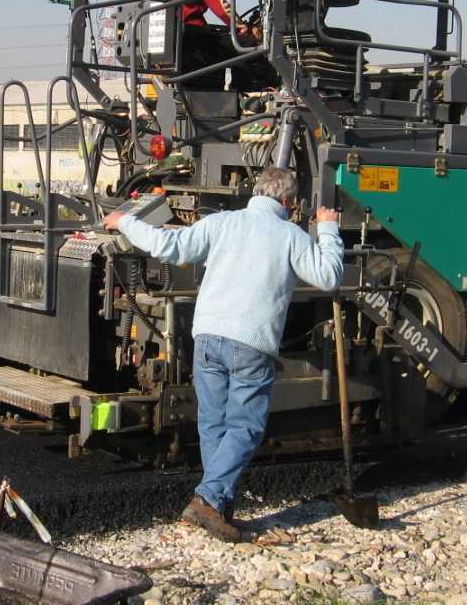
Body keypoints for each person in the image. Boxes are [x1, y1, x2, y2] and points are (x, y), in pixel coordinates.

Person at [102, 167, 344, 542]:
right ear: (287, 201)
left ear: (256, 192)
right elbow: (328, 277)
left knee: (213, 423)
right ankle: (208, 499)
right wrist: (328, 229)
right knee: (246, 426)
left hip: (207, 338)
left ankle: (218, 506)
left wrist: (125, 221)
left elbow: (169, 246)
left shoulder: (222, 222)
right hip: (250, 343)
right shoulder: (291, 235)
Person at [161, 0, 262, 92]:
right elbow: (221, 7)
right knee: (245, 44)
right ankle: (238, 95)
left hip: (172, 40)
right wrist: (245, 29)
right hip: (193, 37)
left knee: (222, 40)